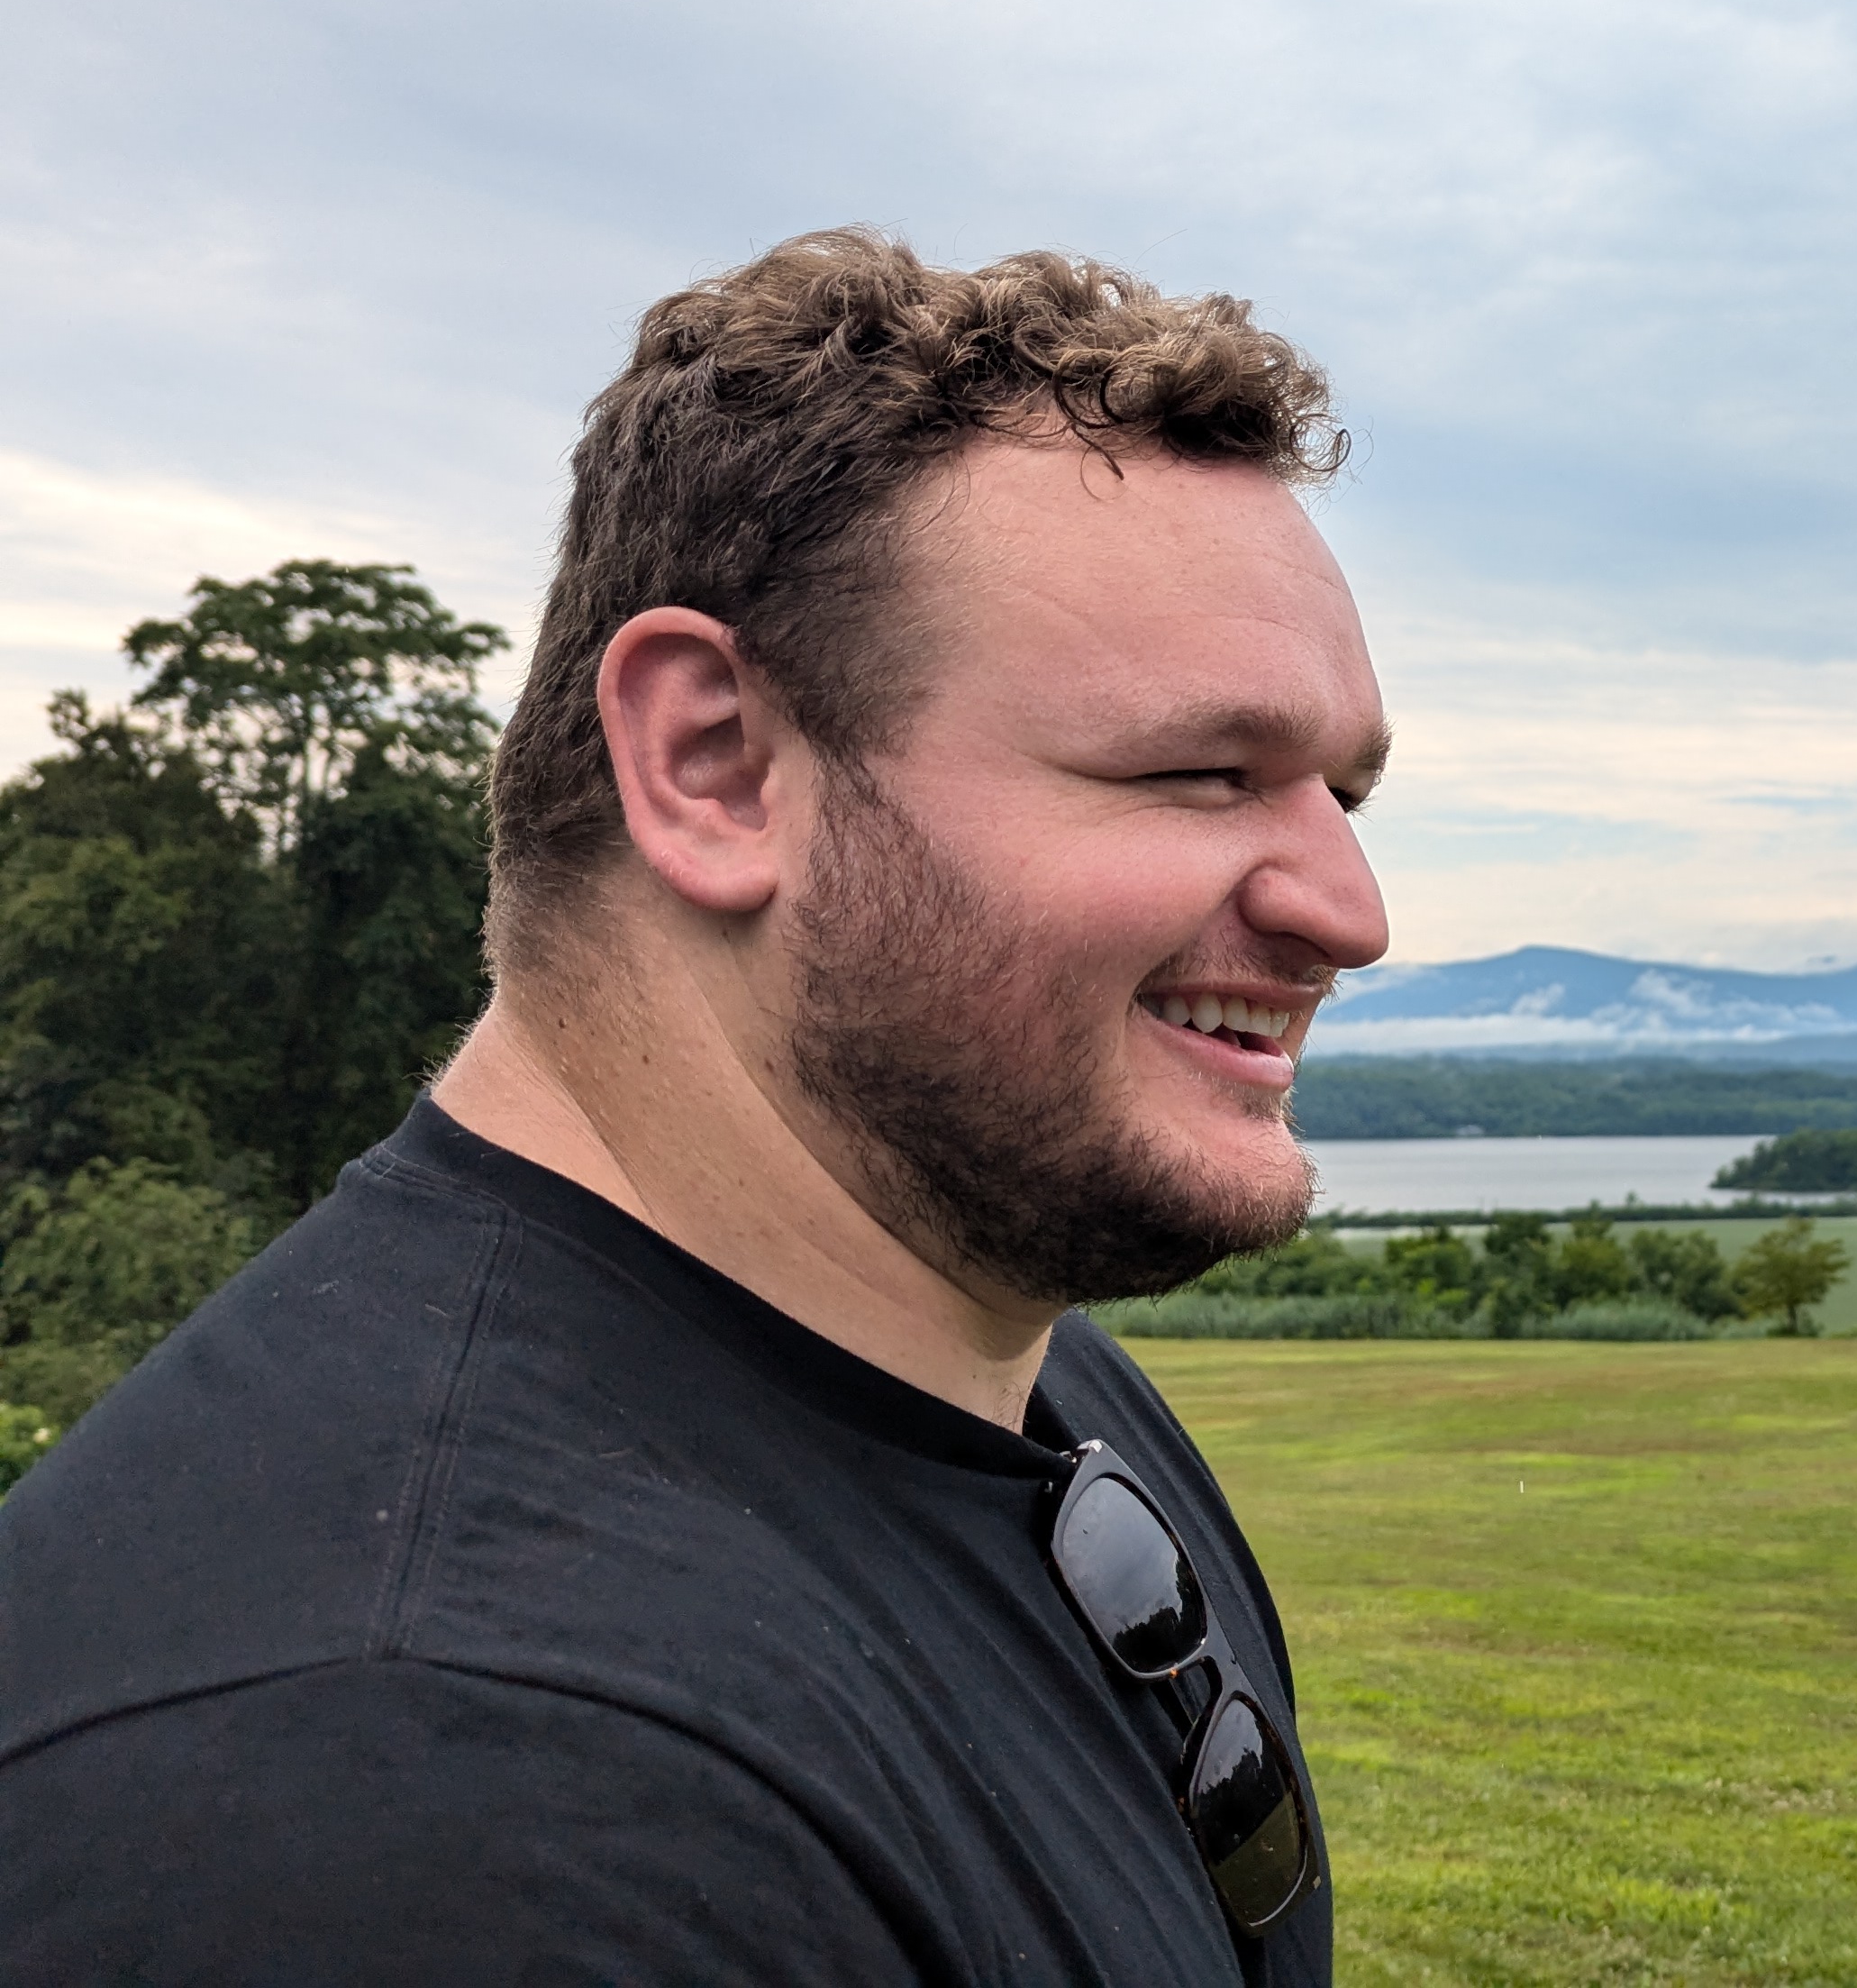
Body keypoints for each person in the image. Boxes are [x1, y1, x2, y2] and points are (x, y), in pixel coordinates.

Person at [0, 229, 1389, 1983]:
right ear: (715, 764)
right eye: (1206, 771)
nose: (1352, 913)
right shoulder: (422, 1811)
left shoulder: (1017, 1378)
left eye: (1341, 790)